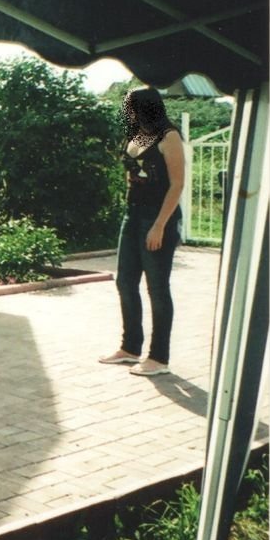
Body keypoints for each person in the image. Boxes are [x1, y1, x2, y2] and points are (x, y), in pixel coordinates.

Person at [99, 88, 185, 377]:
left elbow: (177, 184)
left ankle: (159, 358)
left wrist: (159, 225)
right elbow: (132, 174)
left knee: (157, 288)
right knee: (125, 282)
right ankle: (130, 348)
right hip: (133, 215)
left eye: (131, 107)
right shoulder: (137, 136)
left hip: (158, 218)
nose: (128, 112)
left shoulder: (169, 136)